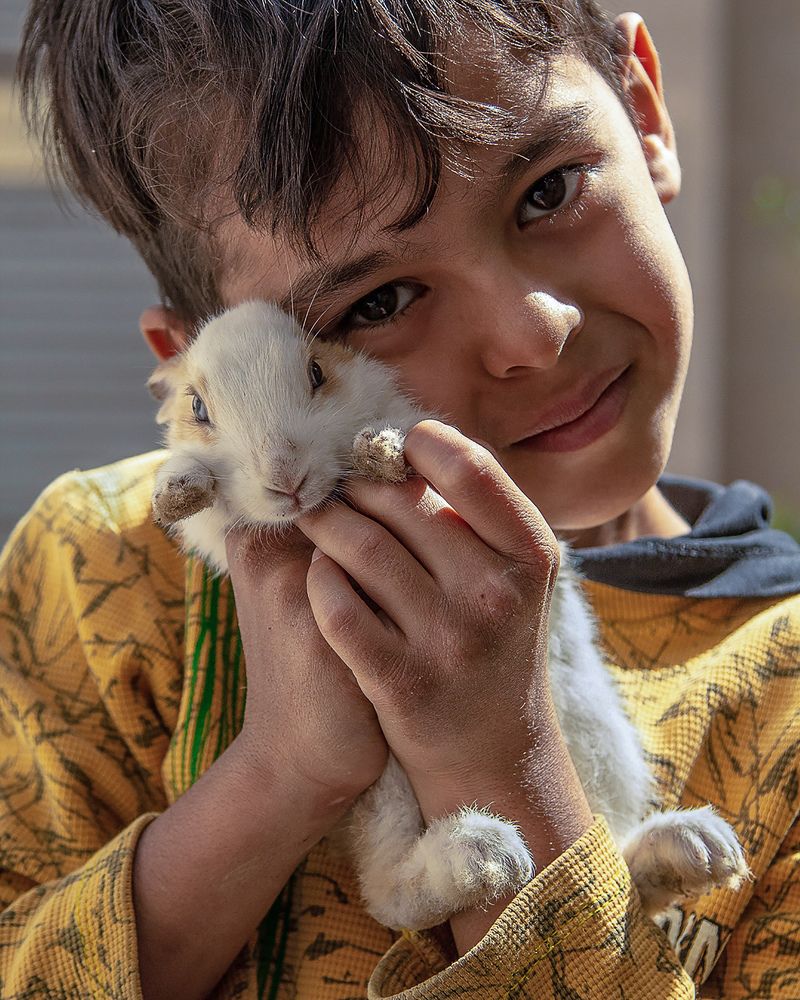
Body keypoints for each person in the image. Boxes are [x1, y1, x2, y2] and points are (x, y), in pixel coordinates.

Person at [2, 1, 798, 996]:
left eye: (548, 189)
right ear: (201, 366)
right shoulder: (103, 582)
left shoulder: (781, 693)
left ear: (642, 111)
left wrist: (494, 761)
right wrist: (278, 775)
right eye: (375, 304)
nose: (530, 334)